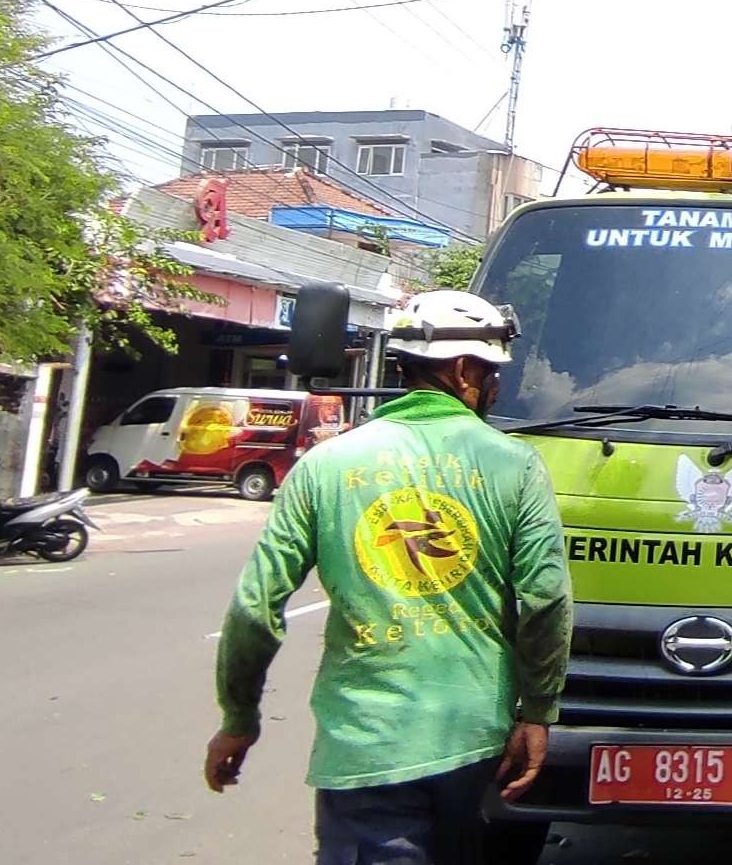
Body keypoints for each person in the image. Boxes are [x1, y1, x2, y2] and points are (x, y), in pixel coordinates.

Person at [206, 290, 574, 865]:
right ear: (464, 370)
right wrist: (538, 711)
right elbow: (545, 600)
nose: (497, 386)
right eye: (493, 372)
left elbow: (256, 608)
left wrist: (239, 718)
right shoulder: (516, 465)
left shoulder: (324, 467)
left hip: (365, 745)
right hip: (475, 738)